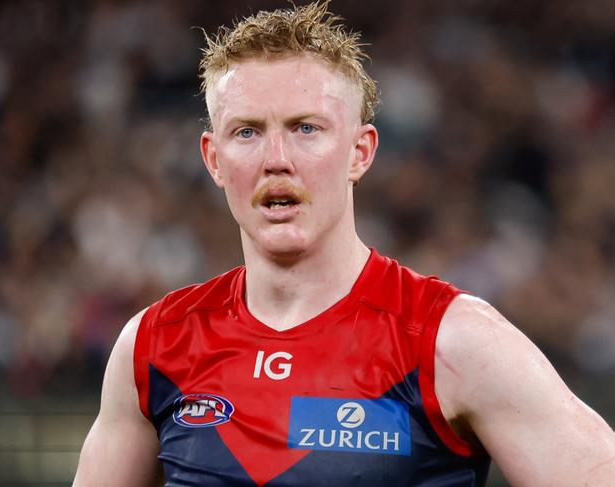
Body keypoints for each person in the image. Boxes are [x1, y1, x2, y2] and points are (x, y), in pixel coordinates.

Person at [73, 2, 615, 486]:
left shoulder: (454, 342)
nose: (275, 157)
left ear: (360, 151)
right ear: (214, 159)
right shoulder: (153, 347)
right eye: (247, 132)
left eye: (306, 128)